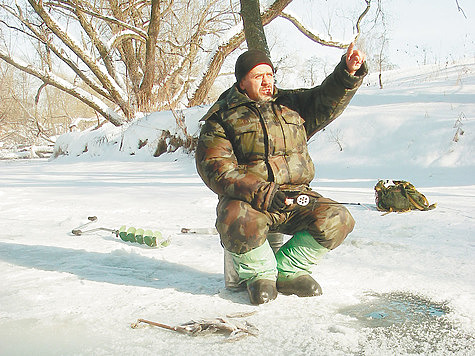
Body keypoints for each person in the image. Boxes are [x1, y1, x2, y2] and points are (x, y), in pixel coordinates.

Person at [195, 44, 367, 305]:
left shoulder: (292, 104)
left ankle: (289, 270)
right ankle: (260, 274)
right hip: (251, 201)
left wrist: (348, 70)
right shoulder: (222, 118)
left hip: (296, 197)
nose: (266, 81)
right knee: (234, 218)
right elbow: (216, 167)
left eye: (270, 75)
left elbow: (327, 98)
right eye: (257, 76)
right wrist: (262, 191)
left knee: (338, 219)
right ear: (242, 82)